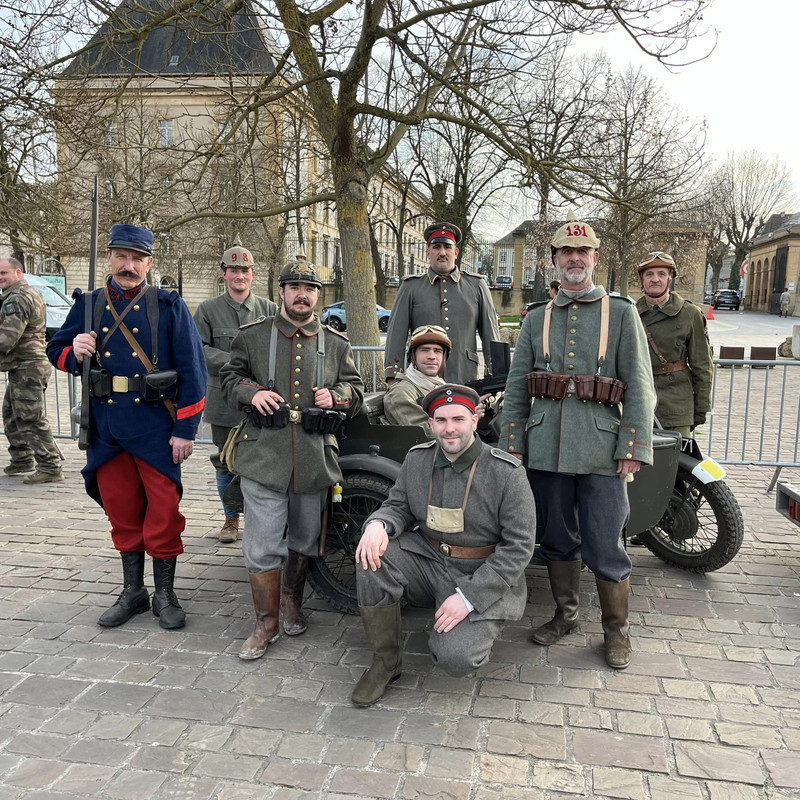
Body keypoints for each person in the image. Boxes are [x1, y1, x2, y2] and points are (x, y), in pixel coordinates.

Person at [500, 217, 655, 669]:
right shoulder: (535, 317)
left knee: (606, 542)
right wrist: (514, 440)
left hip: (603, 449)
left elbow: (640, 386)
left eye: (582, 252)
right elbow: (516, 384)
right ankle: (565, 614)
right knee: (557, 538)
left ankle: (616, 630)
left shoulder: (622, 313)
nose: (574, 259)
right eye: (565, 252)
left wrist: (633, 446)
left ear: (595, 259)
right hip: (546, 446)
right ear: (554, 260)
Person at [47, 224, 207, 631]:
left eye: (138, 258)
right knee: (121, 512)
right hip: (107, 428)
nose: (129, 265)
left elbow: (194, 373)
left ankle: (165, 594)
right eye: (122, 256)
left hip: (155, 429)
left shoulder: (169, 305)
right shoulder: (88, 305)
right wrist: (73, 350)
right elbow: (56, 349)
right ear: (109, 258)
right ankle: (133, 591)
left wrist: (185, 431)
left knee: (164, 514)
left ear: (150, 263)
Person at [351, 384, 535, 707]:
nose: (449, 428)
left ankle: (475, 624)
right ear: (431, 423)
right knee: (370, 557)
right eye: (441, 420)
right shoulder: (417, 460)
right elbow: (397, 506)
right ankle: (386, 663)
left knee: (455, 658)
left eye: (458, 419)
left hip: (480, 571)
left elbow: (518, 548)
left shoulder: (506, 473)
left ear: (474, 421)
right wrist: (378, 525)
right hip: (428, 559)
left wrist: (469, 598)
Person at [220, 255, 363, 661]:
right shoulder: (252, 336)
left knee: (303, 540)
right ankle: (265, 622)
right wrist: (253, 393)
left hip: (314, 457)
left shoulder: (335, 343)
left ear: (318, 295)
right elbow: (229, 379)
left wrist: (337, 396)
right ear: (281, 292)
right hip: (265, 453)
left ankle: (292, 602)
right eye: (295, 288)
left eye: (311, 289)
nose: (303, 295)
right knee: (263, 544)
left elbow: (354, 388)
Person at [193, 238, 277, 543]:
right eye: (233, 269)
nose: (239, 275)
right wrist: (235, 361)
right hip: (224, 400)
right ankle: (231, 519)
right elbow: (197, 350)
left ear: (253, 274)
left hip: (261, 402)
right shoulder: (208, 310)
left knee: (261, 461)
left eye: (245, 269)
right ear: (224, 274)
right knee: (225, 461)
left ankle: (258, 519)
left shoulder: (269, 309)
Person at [384, 223, 500, 384]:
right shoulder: (410, 286)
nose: (442, 253)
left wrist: (498, 376)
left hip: (464, 376)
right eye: (437, 247)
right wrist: (393, 377)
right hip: (420, 381)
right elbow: (396, 335)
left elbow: (491, 336)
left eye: (447, 247)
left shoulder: (477, 285)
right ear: (428, 252)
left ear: (456, 252)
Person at [635, 252, 713, 439]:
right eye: (649, 274)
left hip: (676, 403)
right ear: (642, 279)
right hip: (638, 401)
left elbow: (702, 364)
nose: (655, 279)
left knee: (676, 463)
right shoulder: (630, 313)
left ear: (670, 278)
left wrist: (701, 407)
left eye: (662, 274)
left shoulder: (689, 314)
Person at [0, 257, 63, 483]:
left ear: (18, 273)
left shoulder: (17, 298)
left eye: (4, 273)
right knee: (11, 413)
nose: (0, 277)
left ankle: (50, 466)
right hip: (24, 365)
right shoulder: (26, 294)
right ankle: (22, 459)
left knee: (30, 418)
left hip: (28, 365)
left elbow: (6, 339)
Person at [383, 325, 451, 434]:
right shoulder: (401, 392)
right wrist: (465, 420)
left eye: (438, 351)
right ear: (413, 356)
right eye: (425, 350)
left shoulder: (440, 386)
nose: (432, 356)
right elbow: (421, 433)